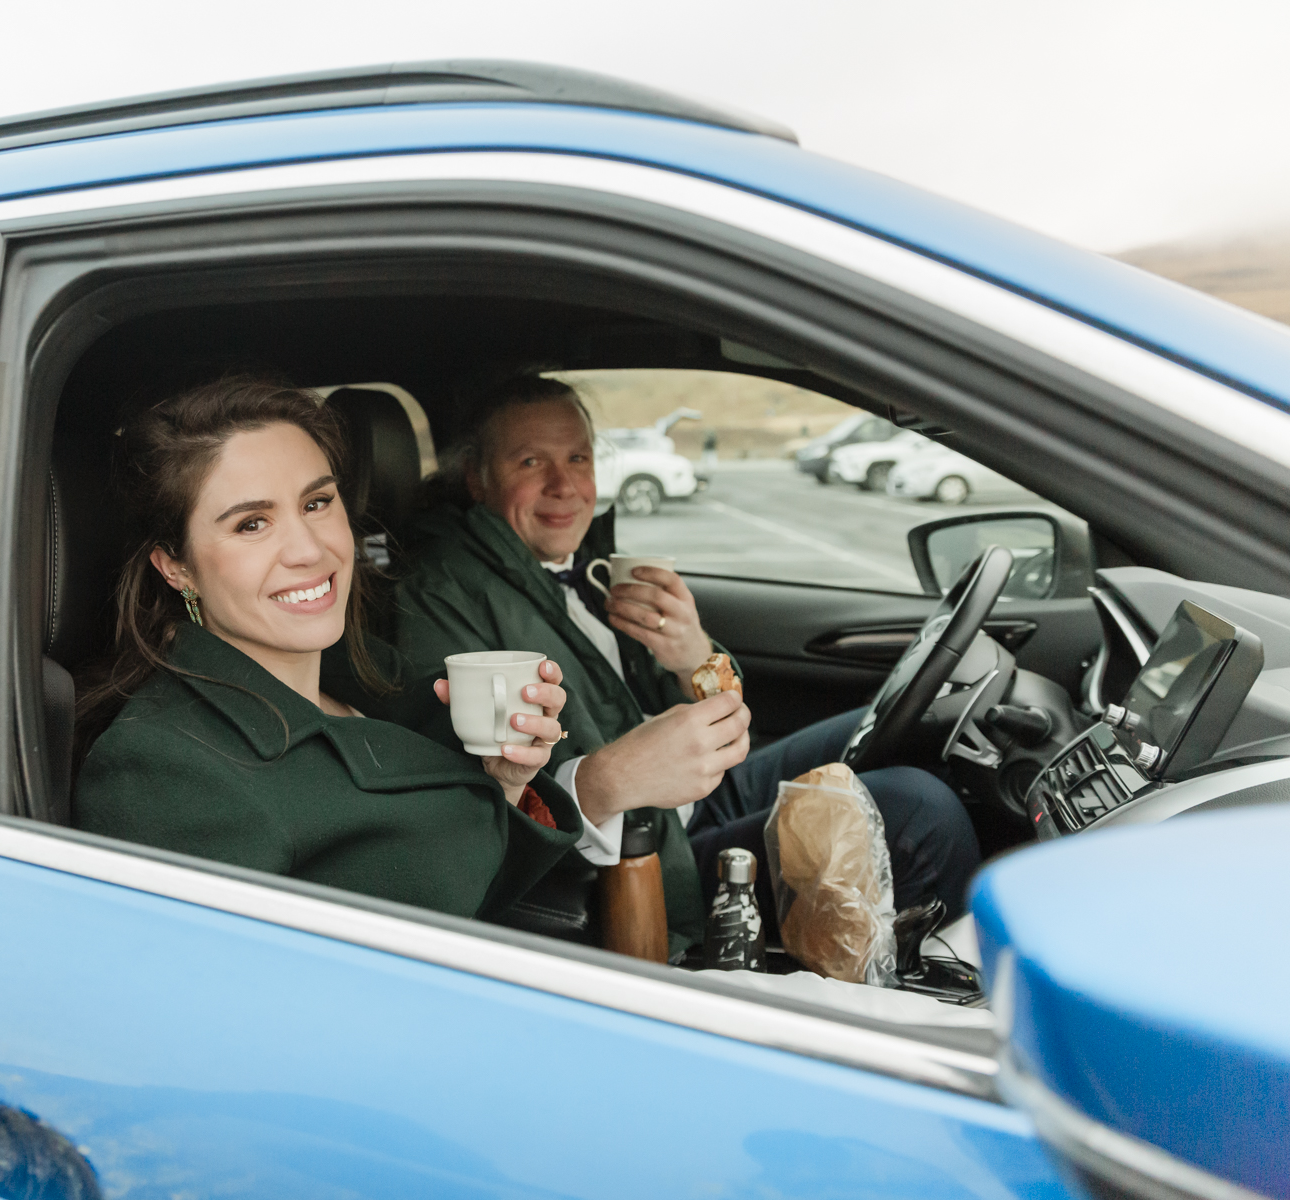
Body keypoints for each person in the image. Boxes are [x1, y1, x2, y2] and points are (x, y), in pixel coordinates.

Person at [394, 375, 980, 952]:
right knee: (918, 810)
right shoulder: (442, 590)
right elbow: (478, 798)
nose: (564, 485)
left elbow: (721, 705)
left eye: (577, 457)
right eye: (529, 463)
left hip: (690, 796)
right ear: (477, 479)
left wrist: (692, 655)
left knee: (899, 728)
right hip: (639, 858)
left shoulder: (589, 567)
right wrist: (612, 777)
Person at [72, 379, 587, 923]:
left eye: (317, 502)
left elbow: (461, 888)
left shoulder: (373, 676)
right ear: (175, 567)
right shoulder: (158, 772)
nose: (309, 549)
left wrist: (507, 782)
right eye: (252, 523)